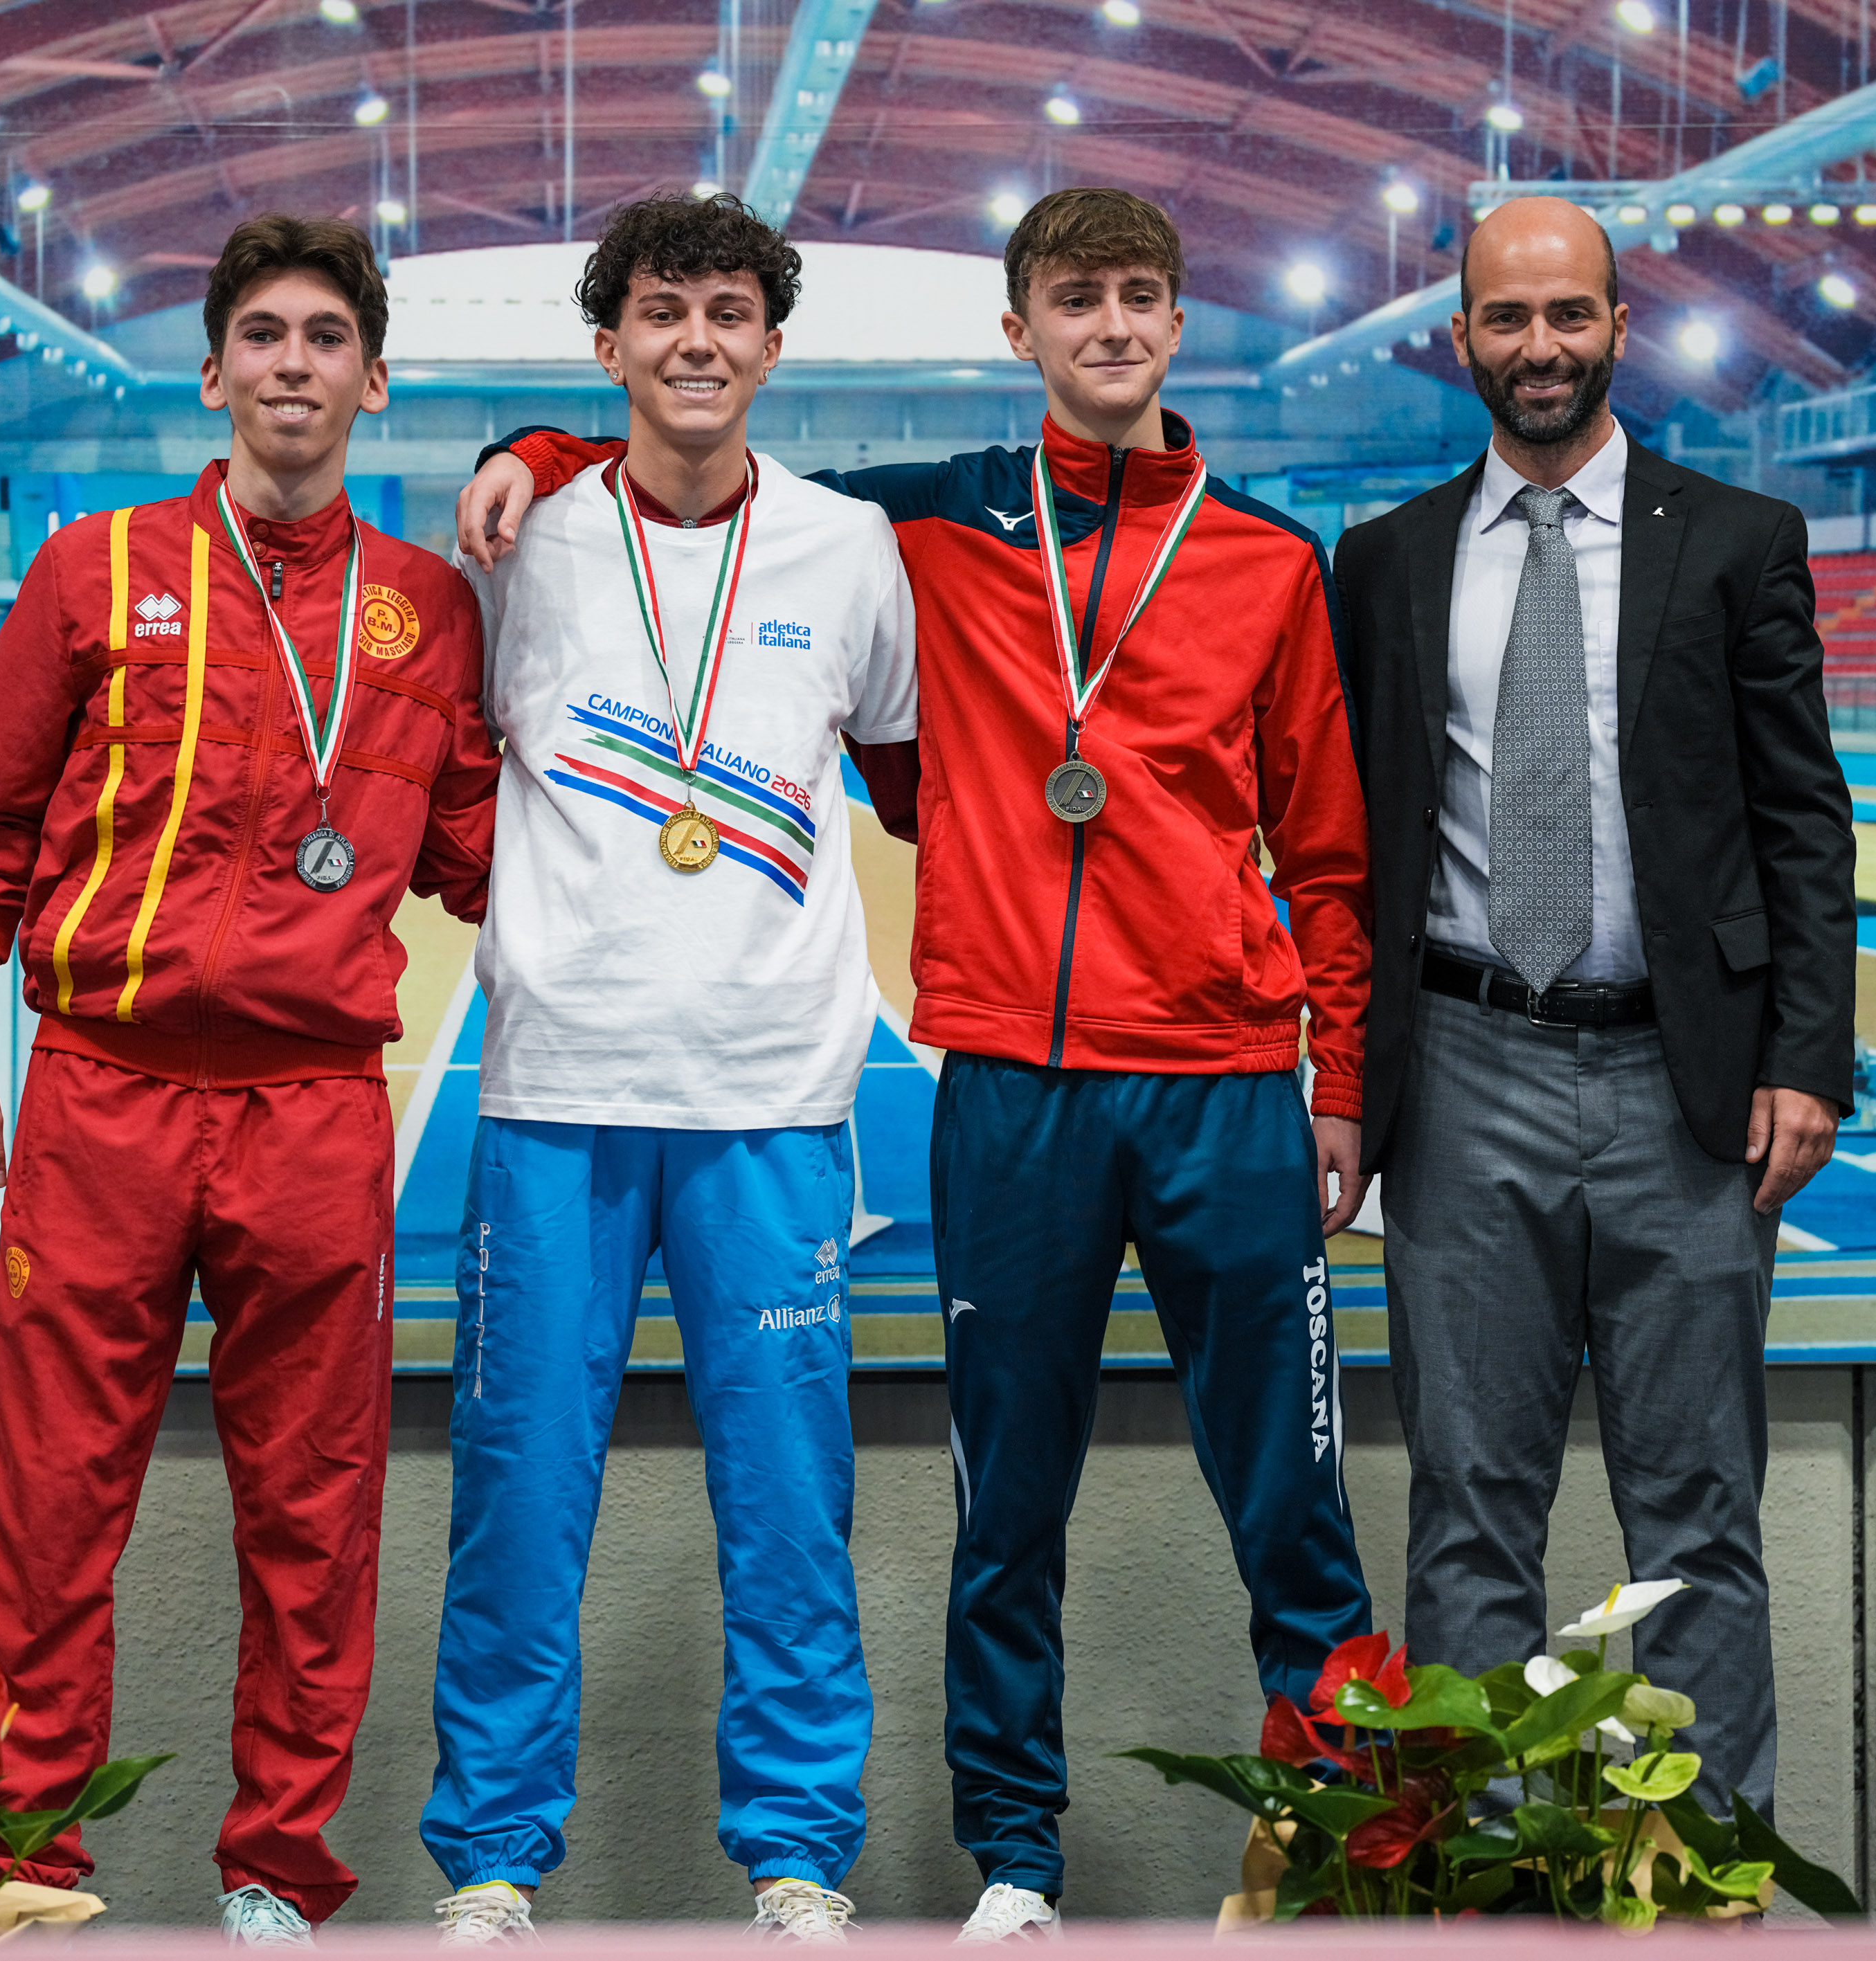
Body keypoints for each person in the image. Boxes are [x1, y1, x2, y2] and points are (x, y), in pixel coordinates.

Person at [459, 186, 1376, 1942]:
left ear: (1178, 323)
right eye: (1075, 298)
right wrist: (537, 444)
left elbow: (1328, 855)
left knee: (1295, 1506)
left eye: (1141, 295)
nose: (1112, 326)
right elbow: (700, 465)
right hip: (1011, 1080)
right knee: (1001, 1512)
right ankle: (1015, 1862)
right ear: (1018, 331)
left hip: (1223, 1080)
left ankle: (1347, 1844)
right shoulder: (932, 519)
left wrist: (1336, 1080)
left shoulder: (1266, 559)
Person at [0, 214, 496, 1946]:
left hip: (314, 1112)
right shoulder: (92, 570)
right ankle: (13, 1861)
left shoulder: (426, 610)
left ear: (373, 381)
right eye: (263, 334)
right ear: (213, 374)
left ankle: (277, 1875)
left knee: (315, 1513)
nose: (292, 363)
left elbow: (481, 854)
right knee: (44, 1502)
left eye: (326, 337)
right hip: (99, 1089)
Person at [417, 192, 914, 1949]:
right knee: (517, 1497)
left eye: (727, 312)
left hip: (770, 1098)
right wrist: (520, 452)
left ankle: (796, 1855)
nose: (695, 340)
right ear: (609, 344)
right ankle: (492, 1858)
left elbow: (907, 767)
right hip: (555, 1087)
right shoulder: (520, 536)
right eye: (660, 310)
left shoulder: (851, 548)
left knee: (788, 1508)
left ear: (771, 345)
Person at [1329, 195, 1854, 1818]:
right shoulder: (1386, 562)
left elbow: (1802, 819)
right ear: (1461, 338)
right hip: (1461, 1067)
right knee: (1467, 1508)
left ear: (1621, 327)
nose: (1539, 345)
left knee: (1695, 1514)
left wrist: (1806, 1058)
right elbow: (1351, 845)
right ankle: (1483, 1868)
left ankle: (1701, 1866)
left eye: (1569, 314)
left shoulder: (1740, 542)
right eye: (1507, 317)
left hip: (1682, 1086)